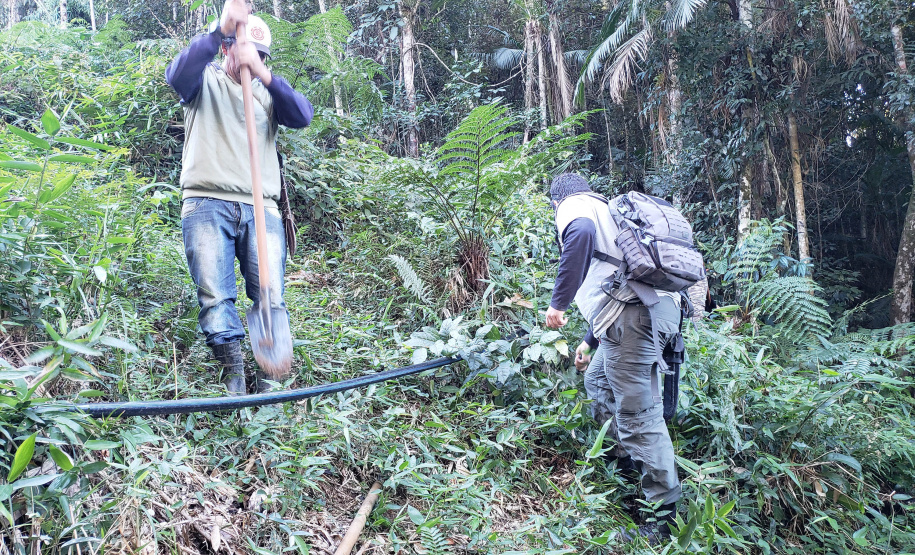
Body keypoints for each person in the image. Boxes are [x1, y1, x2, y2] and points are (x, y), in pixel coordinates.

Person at [165, 0, 313, 395]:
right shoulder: (203, 80)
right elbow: (177, 74)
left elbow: (303, 115)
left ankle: (269, 381)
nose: (251, 61)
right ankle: (233, 378)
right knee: (215, 297)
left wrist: (263, 74)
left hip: (262, 208)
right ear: (227, 49)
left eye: (261, 57)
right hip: (206, 202)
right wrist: (220, 30)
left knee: (271, 296)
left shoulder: (268, 93)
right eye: (245, 52)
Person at [544, 173, 681, 544]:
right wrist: (589, 342)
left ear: (555, 202)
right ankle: (625, 466)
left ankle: (662, 521)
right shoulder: (607, 209)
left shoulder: (574, 206)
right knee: (598, 379)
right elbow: (616, 276)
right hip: (645, 310)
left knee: (640, 415)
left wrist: (558, 303)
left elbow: (581, 234)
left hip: (637, 316)